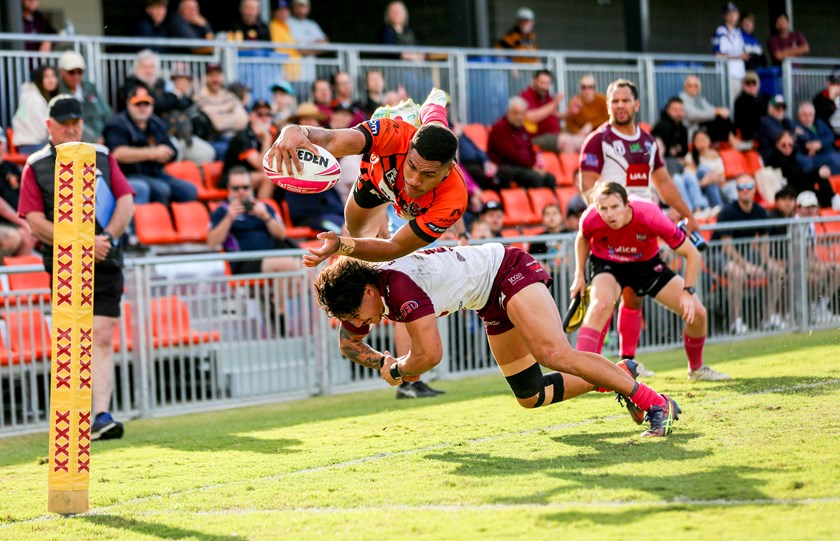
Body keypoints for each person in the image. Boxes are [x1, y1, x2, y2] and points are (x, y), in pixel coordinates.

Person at [314, 244, 682, 437]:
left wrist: (398, 368)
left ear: (366, 291)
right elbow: (348, 343)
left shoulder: (397, 287)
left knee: (553, 353)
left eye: (358, 314)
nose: (362, 323)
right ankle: (619, 375)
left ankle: (655, 403)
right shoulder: (363, 295)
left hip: (508, 271)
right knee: (530, 395)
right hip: (487, 298)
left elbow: (428, 355)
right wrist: (380, 362)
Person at [19, 95, 136, 440]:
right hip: (65, 263)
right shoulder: (37, 164)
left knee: (100, 336)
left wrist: (108, 239)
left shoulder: (101, 156)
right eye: (65, 124)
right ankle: (72, 418)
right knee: (72, 340)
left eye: (76, 123)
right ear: (49, 125)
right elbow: (34, 222)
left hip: (105, 260)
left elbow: (126, 202)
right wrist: (84, 244)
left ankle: (99, 415)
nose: (72, 129)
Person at [579, 79, 697, 376]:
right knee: (604, 300)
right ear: (608, 106)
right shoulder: (597, 141)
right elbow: (587, 188)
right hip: (611, 228)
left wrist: (686, 212)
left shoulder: (647, 142)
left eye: (624, 100)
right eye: (614, 101)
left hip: (642, 225)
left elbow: (663, 182)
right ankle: (586, 367)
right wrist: (610, 215)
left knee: (634, 295)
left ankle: (627, 362)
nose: (619, 106)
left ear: (636, 104)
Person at [572, 182, 729, 381]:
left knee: (698, 314)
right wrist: (579, 273)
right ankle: (579, 375)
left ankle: (696, 370)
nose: (609, 214)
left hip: (647, 266)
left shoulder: (650, 215)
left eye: (614, 207)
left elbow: (692, 254)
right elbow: (583, 237)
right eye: (603, 208)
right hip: (608, 265)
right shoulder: (591, 216)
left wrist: (688, 292)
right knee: (599, 306)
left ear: (627, 205)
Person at [711, 175, 786, 333]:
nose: (745, 190)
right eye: (740, 187)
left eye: (749, 186)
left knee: (777, 271)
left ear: (754, 190)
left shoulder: (760, 211)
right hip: (718, 254)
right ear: (737, 191)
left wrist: (764, 263)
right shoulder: (728, 212)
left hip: (744, 253)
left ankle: (769, 317)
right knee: (737, 273)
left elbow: (764, 242)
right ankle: (734, 322)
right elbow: (727, 247)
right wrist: (749, 267)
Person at [103, 86, 198, 205]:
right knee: (161, 189)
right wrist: (152, 153)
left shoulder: (156, 122)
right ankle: (154, 222)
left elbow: (172, 150)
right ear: (128, 104)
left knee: (189, 190)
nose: (142, 108)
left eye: (146, 104)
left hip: (156, 174)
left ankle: (179, 221)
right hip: (128, 175)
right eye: (138, 104)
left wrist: (166, 154)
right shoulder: (117, 123)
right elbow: (117, 153)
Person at [208, 166, 299, 275]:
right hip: (243, 262)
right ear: (229, 188)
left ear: (251, 187)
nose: (241, 192)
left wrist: (265, 216)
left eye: (245, 187)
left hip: (271, 256)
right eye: (236, 188)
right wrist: (229, 218)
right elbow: (212, 242)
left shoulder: (264, 207)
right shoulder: (222, 211)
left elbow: (282, 234)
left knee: (304, 264)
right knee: (284, 264)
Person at [487, 96, 556, 189]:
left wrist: (536, 165)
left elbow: (530, 147)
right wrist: (532, 167)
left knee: (550, 178)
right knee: (534, 178)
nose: (519, 117)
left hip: (524, 167)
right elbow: (511, 154)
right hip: (508, 167)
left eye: (522, 114)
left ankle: (551, 203)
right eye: (515, 113)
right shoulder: (500, 127)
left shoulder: (521, 127)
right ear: (508, 112)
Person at [794, 191, 840, 322]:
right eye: (807, 207)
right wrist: (820, 265)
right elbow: (797, 254)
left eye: (813, 207)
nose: (810, 210)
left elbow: (810, 252)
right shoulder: (795, 224)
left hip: (806, 262)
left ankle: (822, 307)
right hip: (794, 263)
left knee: (837, 269)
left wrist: (822, 264)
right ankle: (812, 309)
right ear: (798, 208)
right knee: (821, 272)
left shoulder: (810, 225)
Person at [222, 100, 277, 198]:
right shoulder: (242, 137)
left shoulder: (275, 133)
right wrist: (266, 138)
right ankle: (261, 210)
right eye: (260, 114)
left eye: (268, 115)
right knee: (268, 178)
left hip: (253, 175)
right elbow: (261, 166)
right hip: (233, 176)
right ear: (251, 116)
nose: (264, 118)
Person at [765, 131, 835, 208]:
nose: (787, 148)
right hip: (788, 192)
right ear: (777, 145)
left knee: (821, 176)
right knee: (820, 174)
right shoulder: (776, 158)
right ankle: (832, 201)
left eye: (790, 145)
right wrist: (817, 172)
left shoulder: (792, 157)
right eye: (783, 145)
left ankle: (832, 201)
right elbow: (795, 177)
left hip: (798, 187)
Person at [194, 63, 249, 159]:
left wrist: (220, 113)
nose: (215, 79)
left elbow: (244, 120)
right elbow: (218, 125)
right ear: (206, 77)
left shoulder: (229, 96)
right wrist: (228, 109)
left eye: (218, 75)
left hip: (236, 138)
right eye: (211, 76)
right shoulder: (199, 97)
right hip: (215, 142)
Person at [520, 70, 583, 153]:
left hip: (554, 136)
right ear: (534, 80)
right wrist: (554, 103)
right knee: (568, 142)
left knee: (582, 141)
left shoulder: (545, 96)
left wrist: (569, 112)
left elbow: (555, 115)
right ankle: (570, 166)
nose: (545, 87)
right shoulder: (526, 95)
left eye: (547, 84)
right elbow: (530, 117)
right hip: (537, 138)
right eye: (542, 83)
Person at [57, 51, 112, 145]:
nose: (76, 76)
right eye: (71, 72)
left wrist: (108, 135)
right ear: (61, 72)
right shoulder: (57, 91)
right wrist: (94, 139)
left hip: (102, 138)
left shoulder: (90, 87)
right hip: (77, 142)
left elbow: (107, 113)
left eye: (79, 72)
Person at [679, 75, 740, 146]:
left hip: (701, 123)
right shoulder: (682, 98)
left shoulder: (698, 98)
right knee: (718, 120)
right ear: (685, 87)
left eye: (696, 86)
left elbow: (710, 108)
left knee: (723, 117)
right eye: (690, 85)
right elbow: (693, 116)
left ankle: (733, 140)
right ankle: (733, 142)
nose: (693, 88)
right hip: (692, 126)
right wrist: (715, 112)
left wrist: (719, 110)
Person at [12, 65, 59, 155]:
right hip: (32, 146)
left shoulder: (31, 95)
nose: (51, 80)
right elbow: (41, 132)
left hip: (30, 144)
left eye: (53, 76)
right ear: (39, 79)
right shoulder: (34, 99)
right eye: (46, 76)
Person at [287, 0, 329, 83]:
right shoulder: (287, 22)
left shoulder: (312, 24)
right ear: (294, 7)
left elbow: (325, 43)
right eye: (299, 6)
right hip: (291, 71)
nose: (302, 9)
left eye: (305, 6)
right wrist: (313, 46)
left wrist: (305, 51)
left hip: (309, 71)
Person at [793, 101, 840, 174]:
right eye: (804, 115)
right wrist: (815, 143)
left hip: (829, 153)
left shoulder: (819, 123)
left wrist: (820, 143)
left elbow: (831, 137)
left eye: (810, 115)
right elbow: (807, 141)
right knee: (834, 160)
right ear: (799, 115)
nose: (808, 118)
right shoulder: (796, 127)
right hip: (815, 157)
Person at [712, 2, 747, 91]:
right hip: (727, 75)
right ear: (724, 16)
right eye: (729, 13)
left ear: (738, 15)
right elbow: (717, 55)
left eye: (734, 12)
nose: (732, 15)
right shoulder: (720, 31)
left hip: (741, 74)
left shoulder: (739, 32)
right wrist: (737, 56)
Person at [269, 1, 303, 82]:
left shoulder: (286, 26)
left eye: (285, 10)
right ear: (274, 13)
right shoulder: (273, 27)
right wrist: (283, 71)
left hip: (293, 72)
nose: (283, 13)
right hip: (283, 73)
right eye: (280, 11)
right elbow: (277, 50)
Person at [733, 71, 768, 143]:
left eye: (754, 83)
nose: (751, 86)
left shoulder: (765, 97)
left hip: (764, 130)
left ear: (758, 84)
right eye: (748, 83)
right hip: (750, 134)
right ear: (743, 85)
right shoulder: (740, 100)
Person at [758, 94, 795, 160]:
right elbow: (781, 139)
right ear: (770, 109)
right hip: (772, 157)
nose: (781, 110)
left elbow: (801, 136)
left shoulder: (786, 121)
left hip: (787, 154)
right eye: (777, 107)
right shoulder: (766, 122)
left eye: (783, 107)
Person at [812, 67, 840, 140]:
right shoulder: (820, 97)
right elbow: (820, 116)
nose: (837, 86)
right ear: (828, 84)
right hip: (830, 135)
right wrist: (831, 98)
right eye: (834, 83)